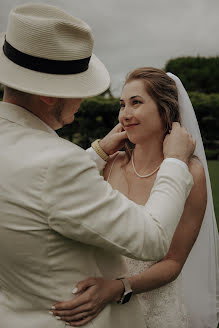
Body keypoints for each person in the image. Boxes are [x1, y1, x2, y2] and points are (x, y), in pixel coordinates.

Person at [0, 4, 196, 328]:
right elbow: (152, 238)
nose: (82, 102)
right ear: (50, 96)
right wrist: (175, 162)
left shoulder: (56, 160)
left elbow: (38, 191)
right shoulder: (59, 164)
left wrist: (96, 153)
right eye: (80, 90)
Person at [51, 68, 219, 328]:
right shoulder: (111, 163)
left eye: (136, 103)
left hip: (153, 309)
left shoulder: (190, 172)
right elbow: (57, 187)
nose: (124, 115)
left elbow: (174, 261)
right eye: (122, 105)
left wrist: (119, 288)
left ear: (165, 111)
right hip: (99, 305)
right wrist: (100, 149)